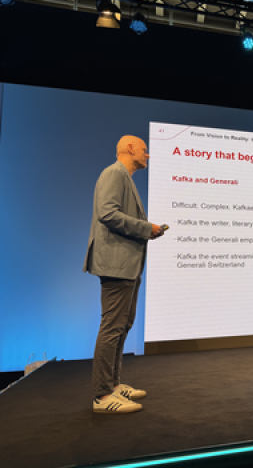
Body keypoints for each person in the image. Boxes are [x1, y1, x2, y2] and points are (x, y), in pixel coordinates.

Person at [83, 135, 165, 414]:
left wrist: (148, 231)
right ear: (130, 148)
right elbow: (107, 214)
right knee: (112, 326)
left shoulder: (124, 177)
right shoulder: (114, 173)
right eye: (144, 150)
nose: (147, 155)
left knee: (123, 324)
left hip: (126, 264)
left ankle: (113, 385)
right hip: (115, 265)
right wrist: (146, 228)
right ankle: (102, 395)